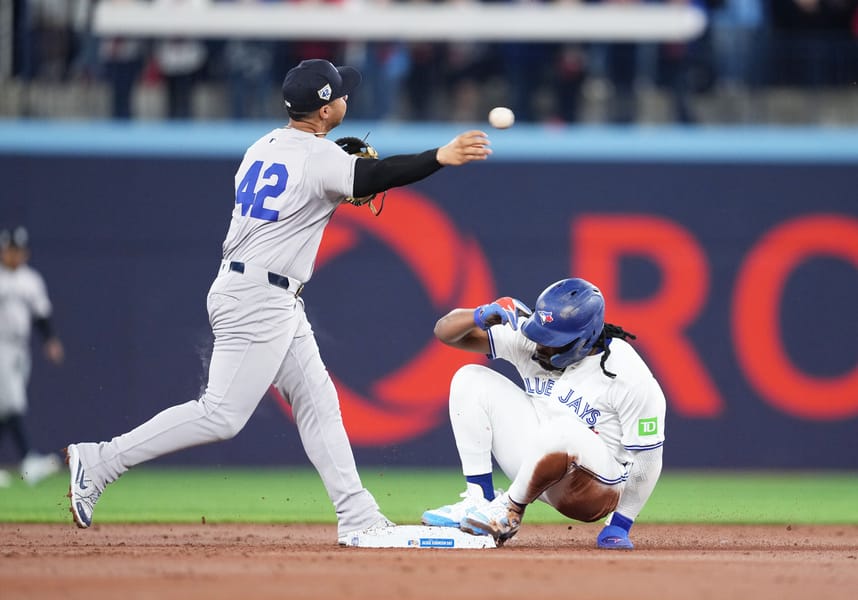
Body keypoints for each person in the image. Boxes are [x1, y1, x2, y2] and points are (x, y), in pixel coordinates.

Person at [65, 58, 492, 542]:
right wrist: (441, 154)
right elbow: (376, 177)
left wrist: (340, 178)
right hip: (258, 296)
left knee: (318, 404)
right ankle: (100, 460)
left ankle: (357, 516)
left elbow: (307, 193)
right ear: (326, 109)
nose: (348, 98)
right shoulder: (320, 158)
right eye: (342, 94)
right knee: (220, 415)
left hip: (264, 291)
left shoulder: (262, 147)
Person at [421, 278, 666, 549]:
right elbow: (444, 332)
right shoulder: (530, 336)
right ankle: (479, 500)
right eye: (540, 335)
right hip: (537, 465)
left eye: (552, 341)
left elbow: (648, 459)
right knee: (469, 378)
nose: (540, 346)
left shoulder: (628, 373)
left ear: (584, 339)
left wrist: (620, 525)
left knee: (562, 428)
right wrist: (480, 315)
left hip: (592, 489)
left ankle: (509, 512)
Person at [0, 226, 65, 485]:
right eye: (10, 249)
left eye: (18, 250)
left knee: (6, 408)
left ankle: (26, 459)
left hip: (20, 348)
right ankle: (28, 459)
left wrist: (50, 339)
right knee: (13, 402)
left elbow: (41, 315)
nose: (14, 254)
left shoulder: (31, 280)